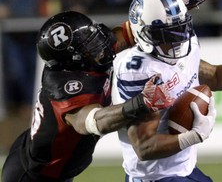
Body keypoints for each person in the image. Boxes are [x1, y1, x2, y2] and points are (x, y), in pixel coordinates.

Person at [114, 0, 222, 182]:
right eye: (167, 35)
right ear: (143, 33)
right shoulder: (138, 70)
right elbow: (144, 147)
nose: (177, 40)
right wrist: (194, 136)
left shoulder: (186, 44)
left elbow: (213, 76)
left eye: (179, 29)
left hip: (184, 169)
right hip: (154, 176)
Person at [1, 11, 174, 182]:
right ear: (74, 59)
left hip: (50, 162)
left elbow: (132, 33)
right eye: (90, 46)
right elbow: (95, 121)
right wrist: (141, 102)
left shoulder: (85, 57)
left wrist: (169, 11)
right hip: (35, 176)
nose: (101, 46)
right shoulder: (67, 90)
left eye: (95, 39)